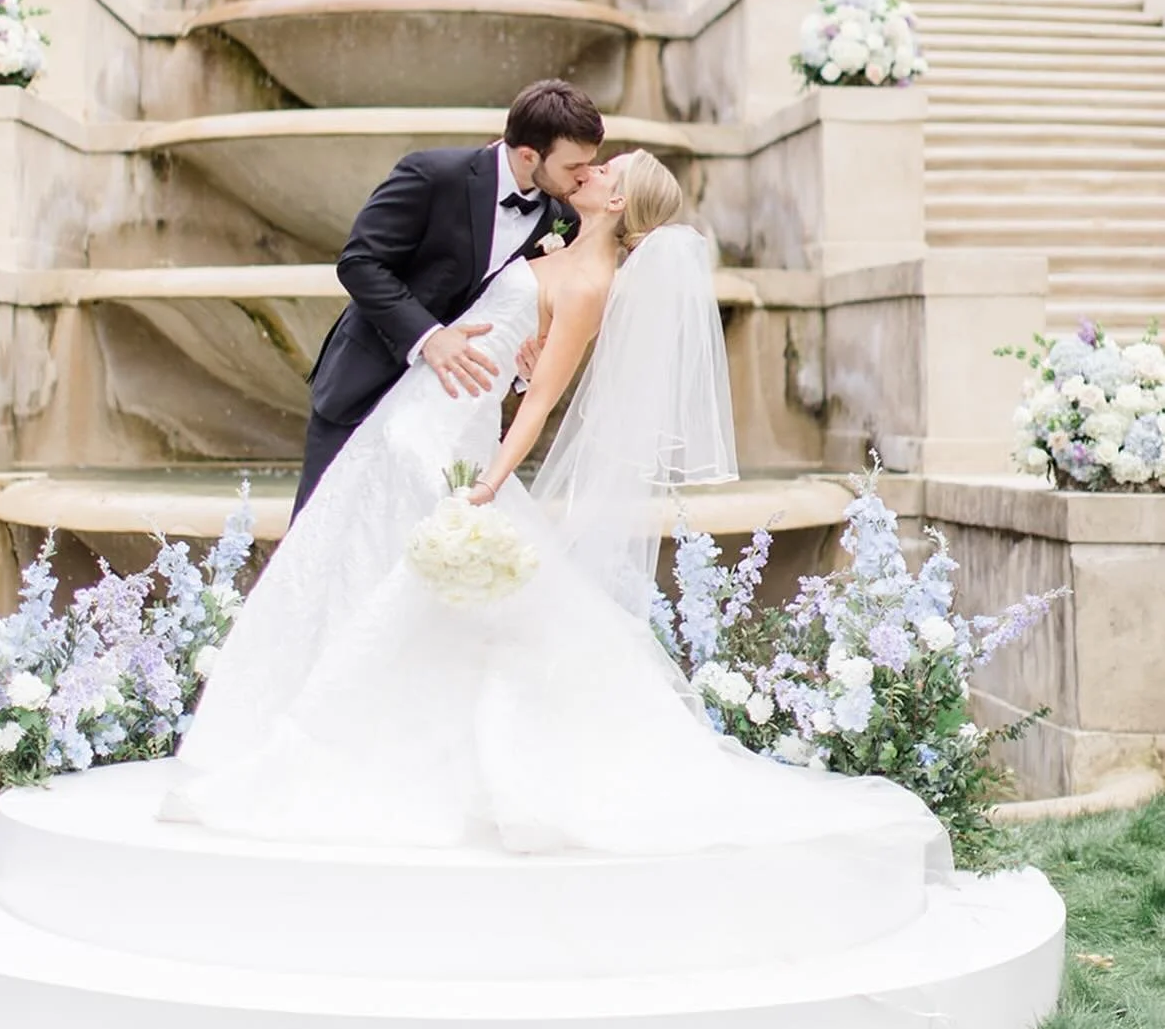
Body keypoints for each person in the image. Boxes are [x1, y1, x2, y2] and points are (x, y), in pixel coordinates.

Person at [165, 148, 949, 888]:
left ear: (617, 200)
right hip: (407, 412)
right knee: (353, 562)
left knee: (413, 582)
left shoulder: (591, 281)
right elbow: (516, 341)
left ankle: (351, 750)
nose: (592, 167)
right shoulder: (555, 238)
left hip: (446, 439)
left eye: (606, 168)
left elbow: (537, 406)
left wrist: (489, 486)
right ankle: (305, 720)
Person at [291, 76, 603, 515]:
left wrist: (522, 372)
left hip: (446, 416)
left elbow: (519, 310)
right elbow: (359, 263)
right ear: (529, 154)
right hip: (366, 384)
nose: (585, 176)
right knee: (322, 534)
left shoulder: (561, 220)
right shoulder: (431, 174)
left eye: (591, 164)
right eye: (574, 167)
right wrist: (429, 336)